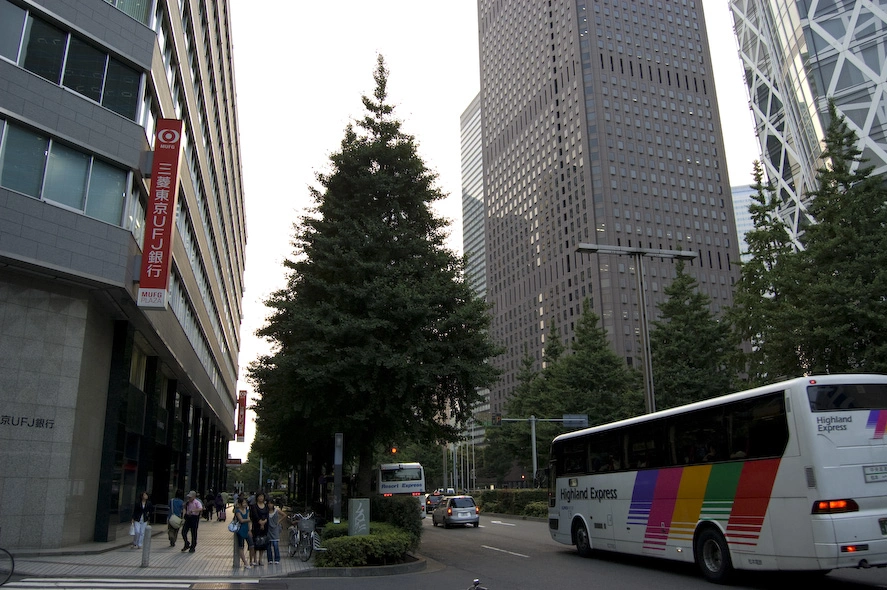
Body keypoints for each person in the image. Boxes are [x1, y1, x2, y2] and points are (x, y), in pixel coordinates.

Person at [249, 492, 269, 565]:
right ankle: (255, 559)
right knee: (256, 543)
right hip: (256, 527)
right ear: (257, 497)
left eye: (262, 496)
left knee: (263, 543)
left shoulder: (266, 506)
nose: (261, 498)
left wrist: (264, 522)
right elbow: (254, 515)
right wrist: (260, 522)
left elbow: (267, 515)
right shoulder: (253, 506)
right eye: (259, 496)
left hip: (265, 527)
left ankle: (260, 559)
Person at [234, 497, 252, 569]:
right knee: (241, 547)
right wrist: (248, 519)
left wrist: (249, 529)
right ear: (240, 504)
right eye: (243, 503)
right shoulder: (237, 511)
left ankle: (251, 561)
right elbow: (241, 520)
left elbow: (248, 521)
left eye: (245, 503)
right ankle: (245, 562)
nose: (245, 504)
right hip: (240, 530)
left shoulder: (247, 510)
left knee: (251, 545)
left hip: (246, 530)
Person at [266, 499, 285, 564]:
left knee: (275, 544)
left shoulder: (276, 510)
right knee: (268, 545)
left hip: (275, 529)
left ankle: (277, 559)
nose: (270, 505)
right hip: (268, 529)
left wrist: (279, 521)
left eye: (271, 503)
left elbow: (284, 515)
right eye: (268, 503)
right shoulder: (266, 511)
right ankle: (270, 559)